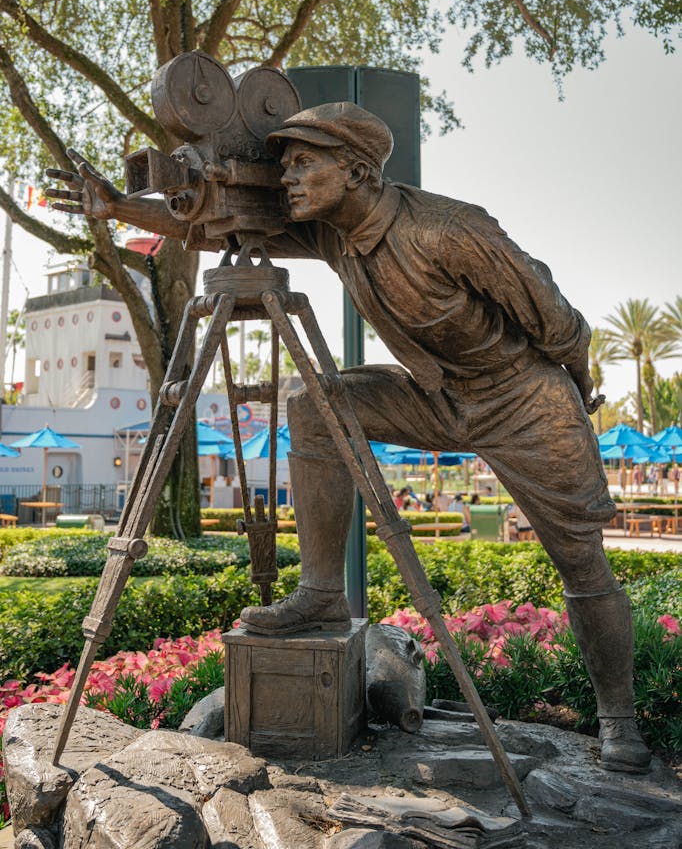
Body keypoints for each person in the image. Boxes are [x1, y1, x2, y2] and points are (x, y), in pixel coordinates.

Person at [47, 100, 650, 774]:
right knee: (312, 403)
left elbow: (559, 321)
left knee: (583, 565)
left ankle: (617, 718)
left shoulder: (451, 230)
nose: (289, 180)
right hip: (435, 394)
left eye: (304, 163)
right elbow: (221, 229)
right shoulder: (331, 229)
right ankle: (322, 592)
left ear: (358, 170)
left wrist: (578, 397)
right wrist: (118, 207)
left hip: (523, 399)